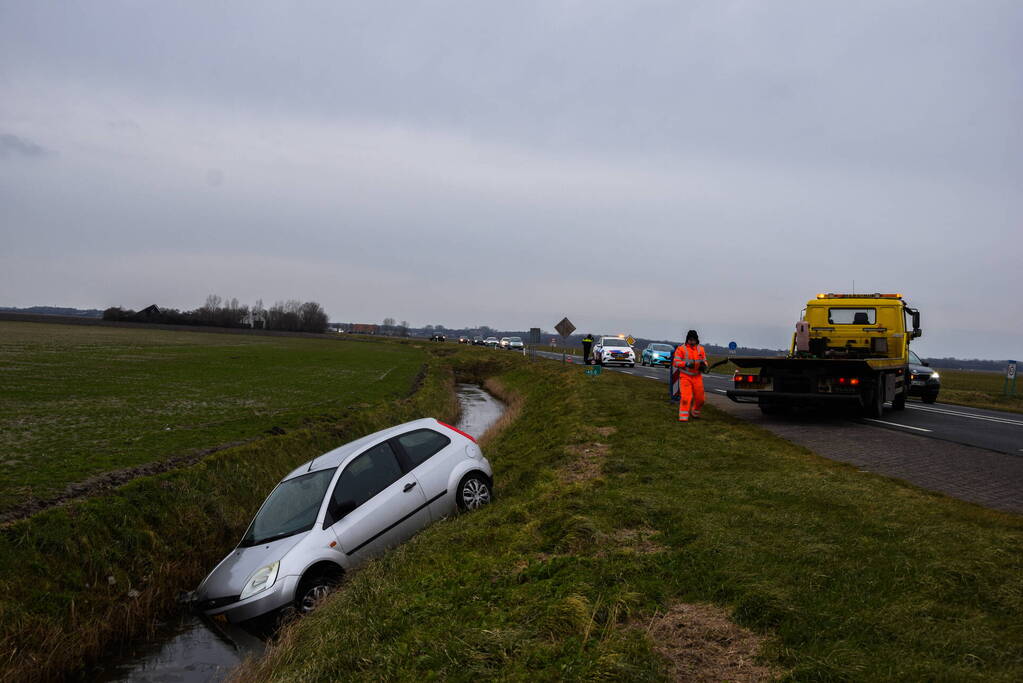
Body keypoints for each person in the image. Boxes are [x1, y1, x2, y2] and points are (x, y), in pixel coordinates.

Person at [673, 329, 708, 422]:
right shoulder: (681, 349)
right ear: (687, 339)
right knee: (685, 398)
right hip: (685, 376)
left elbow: (704, 361)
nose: (692, 342)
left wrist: (704, 366)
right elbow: (675, 362)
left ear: (696, 340)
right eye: (690, 340)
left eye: (693, 340)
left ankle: (695, 413)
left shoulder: (701, 349)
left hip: (697, 377)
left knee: (701, 399)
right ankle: (683, 418)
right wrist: (686, 364)